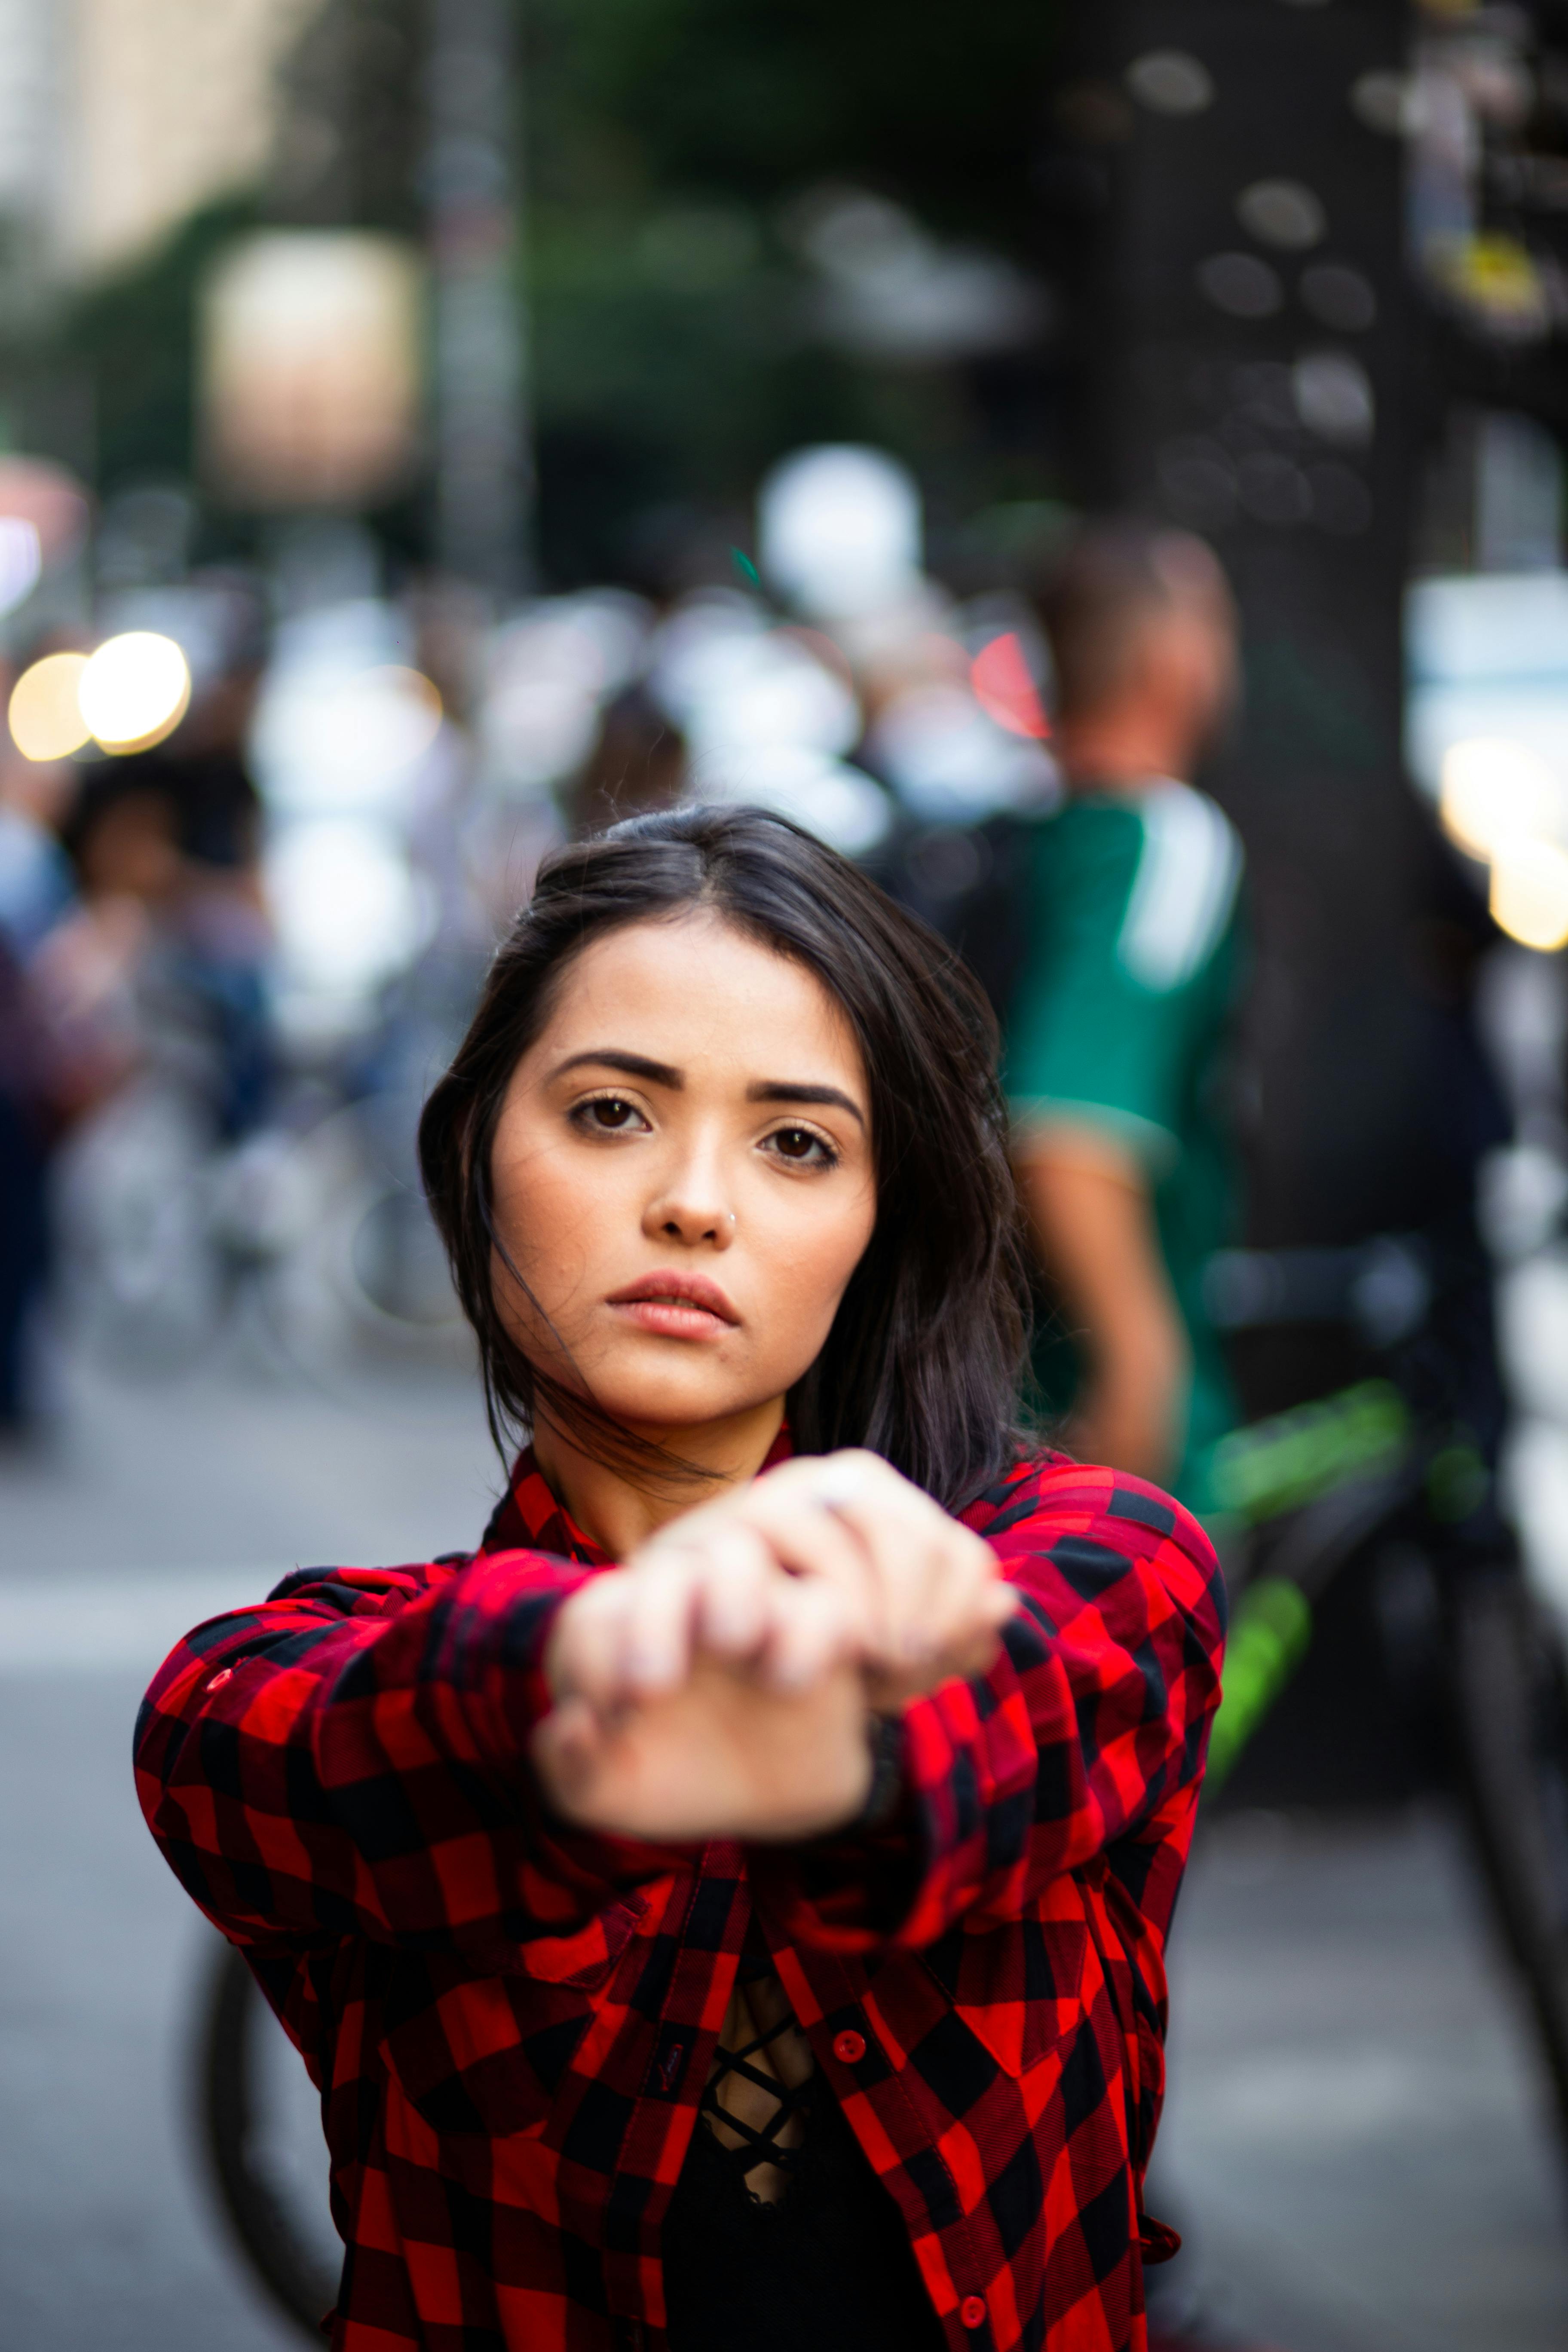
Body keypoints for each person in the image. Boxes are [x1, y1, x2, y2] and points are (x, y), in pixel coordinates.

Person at [135, 806, 1225, 2352]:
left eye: (797, 1143)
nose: (695, 1202)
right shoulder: (278, 1680)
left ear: (880, 1221)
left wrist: (836, 1749)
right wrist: (586, 1677)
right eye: (610, 1113)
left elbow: (1020, 1700)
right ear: (472, 1156)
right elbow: (317, 1749)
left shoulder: (1094, 1561)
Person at [1008, 525, 1245, 1522]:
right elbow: (1072, 1124)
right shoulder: (1165, 840)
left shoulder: (1025, 842)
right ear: (1174, 660)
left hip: (974, 1394)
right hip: (1083, 1423)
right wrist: (1143, 1372)